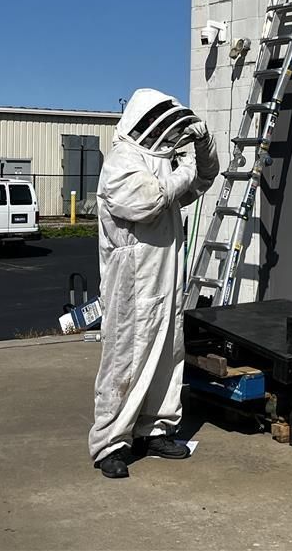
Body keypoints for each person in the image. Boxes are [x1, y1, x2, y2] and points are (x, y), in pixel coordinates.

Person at [88, 88, 219, 478]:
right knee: (125, 359)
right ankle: (110, 442)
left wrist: (204, 142)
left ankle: (155, 428)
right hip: (130, 278)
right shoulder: (122, 162)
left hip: (164, 272)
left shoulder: (164, 159)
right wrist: (182, 172)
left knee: (166, 353)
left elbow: (205, 177)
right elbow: (144, 204)